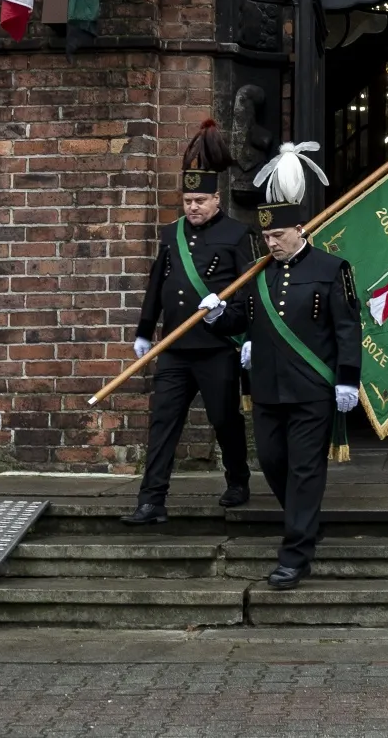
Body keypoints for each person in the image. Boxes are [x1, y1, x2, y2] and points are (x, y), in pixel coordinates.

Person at [213, 141, 362, 590]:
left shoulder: (332, 268)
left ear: (301, 228)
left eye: (278, 236)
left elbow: (347, 328)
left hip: (313, 389)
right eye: (265, 238)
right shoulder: (257, 274)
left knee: (304, 469)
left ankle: (295, 553)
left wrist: (348, 379)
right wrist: (221, 315)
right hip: (268, 389)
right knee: (275, 464)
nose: (270, 243)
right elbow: (244, 318)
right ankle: (305, 520)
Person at [122, 121, 259, 526]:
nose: (193, 207)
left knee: (224, 419)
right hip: (175, 349)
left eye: (200, 200)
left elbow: (249, 293)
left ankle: (237, 479)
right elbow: (156, 283)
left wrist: (246, 333)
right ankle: (151, 500)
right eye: (187, 201)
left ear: (217, 200)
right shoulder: (170, 235)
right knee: (163, 422)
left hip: (217, 346)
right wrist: (145, 331)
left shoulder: (237, 234)